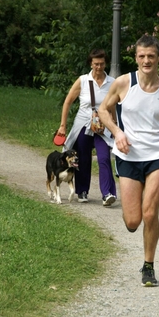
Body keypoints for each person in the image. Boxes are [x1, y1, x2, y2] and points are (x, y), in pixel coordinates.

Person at [98, 35, 159, 286]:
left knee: (150, 212)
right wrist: (117, 132)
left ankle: (148, 266)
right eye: (142, 56)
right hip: (128, 156)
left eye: (151, 56)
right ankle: (138, 224)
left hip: (157, 156)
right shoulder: (124, 83)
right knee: (133, 220)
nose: (147, 60)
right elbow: (103, 110)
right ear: (136, 58)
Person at [56, 49, 117, 206]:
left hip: (103, 125)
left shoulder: (112, 82)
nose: (99, 67)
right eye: (96, 64)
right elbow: (68, 101)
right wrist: (63, 125)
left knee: (104, 157)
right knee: (82, 157)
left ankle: (108, 193)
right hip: (83, 123)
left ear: (106, 63)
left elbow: (114, 107)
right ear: (90, 63)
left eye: (102, 64)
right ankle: (82, 190)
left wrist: (116, 126)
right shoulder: (83, 81)